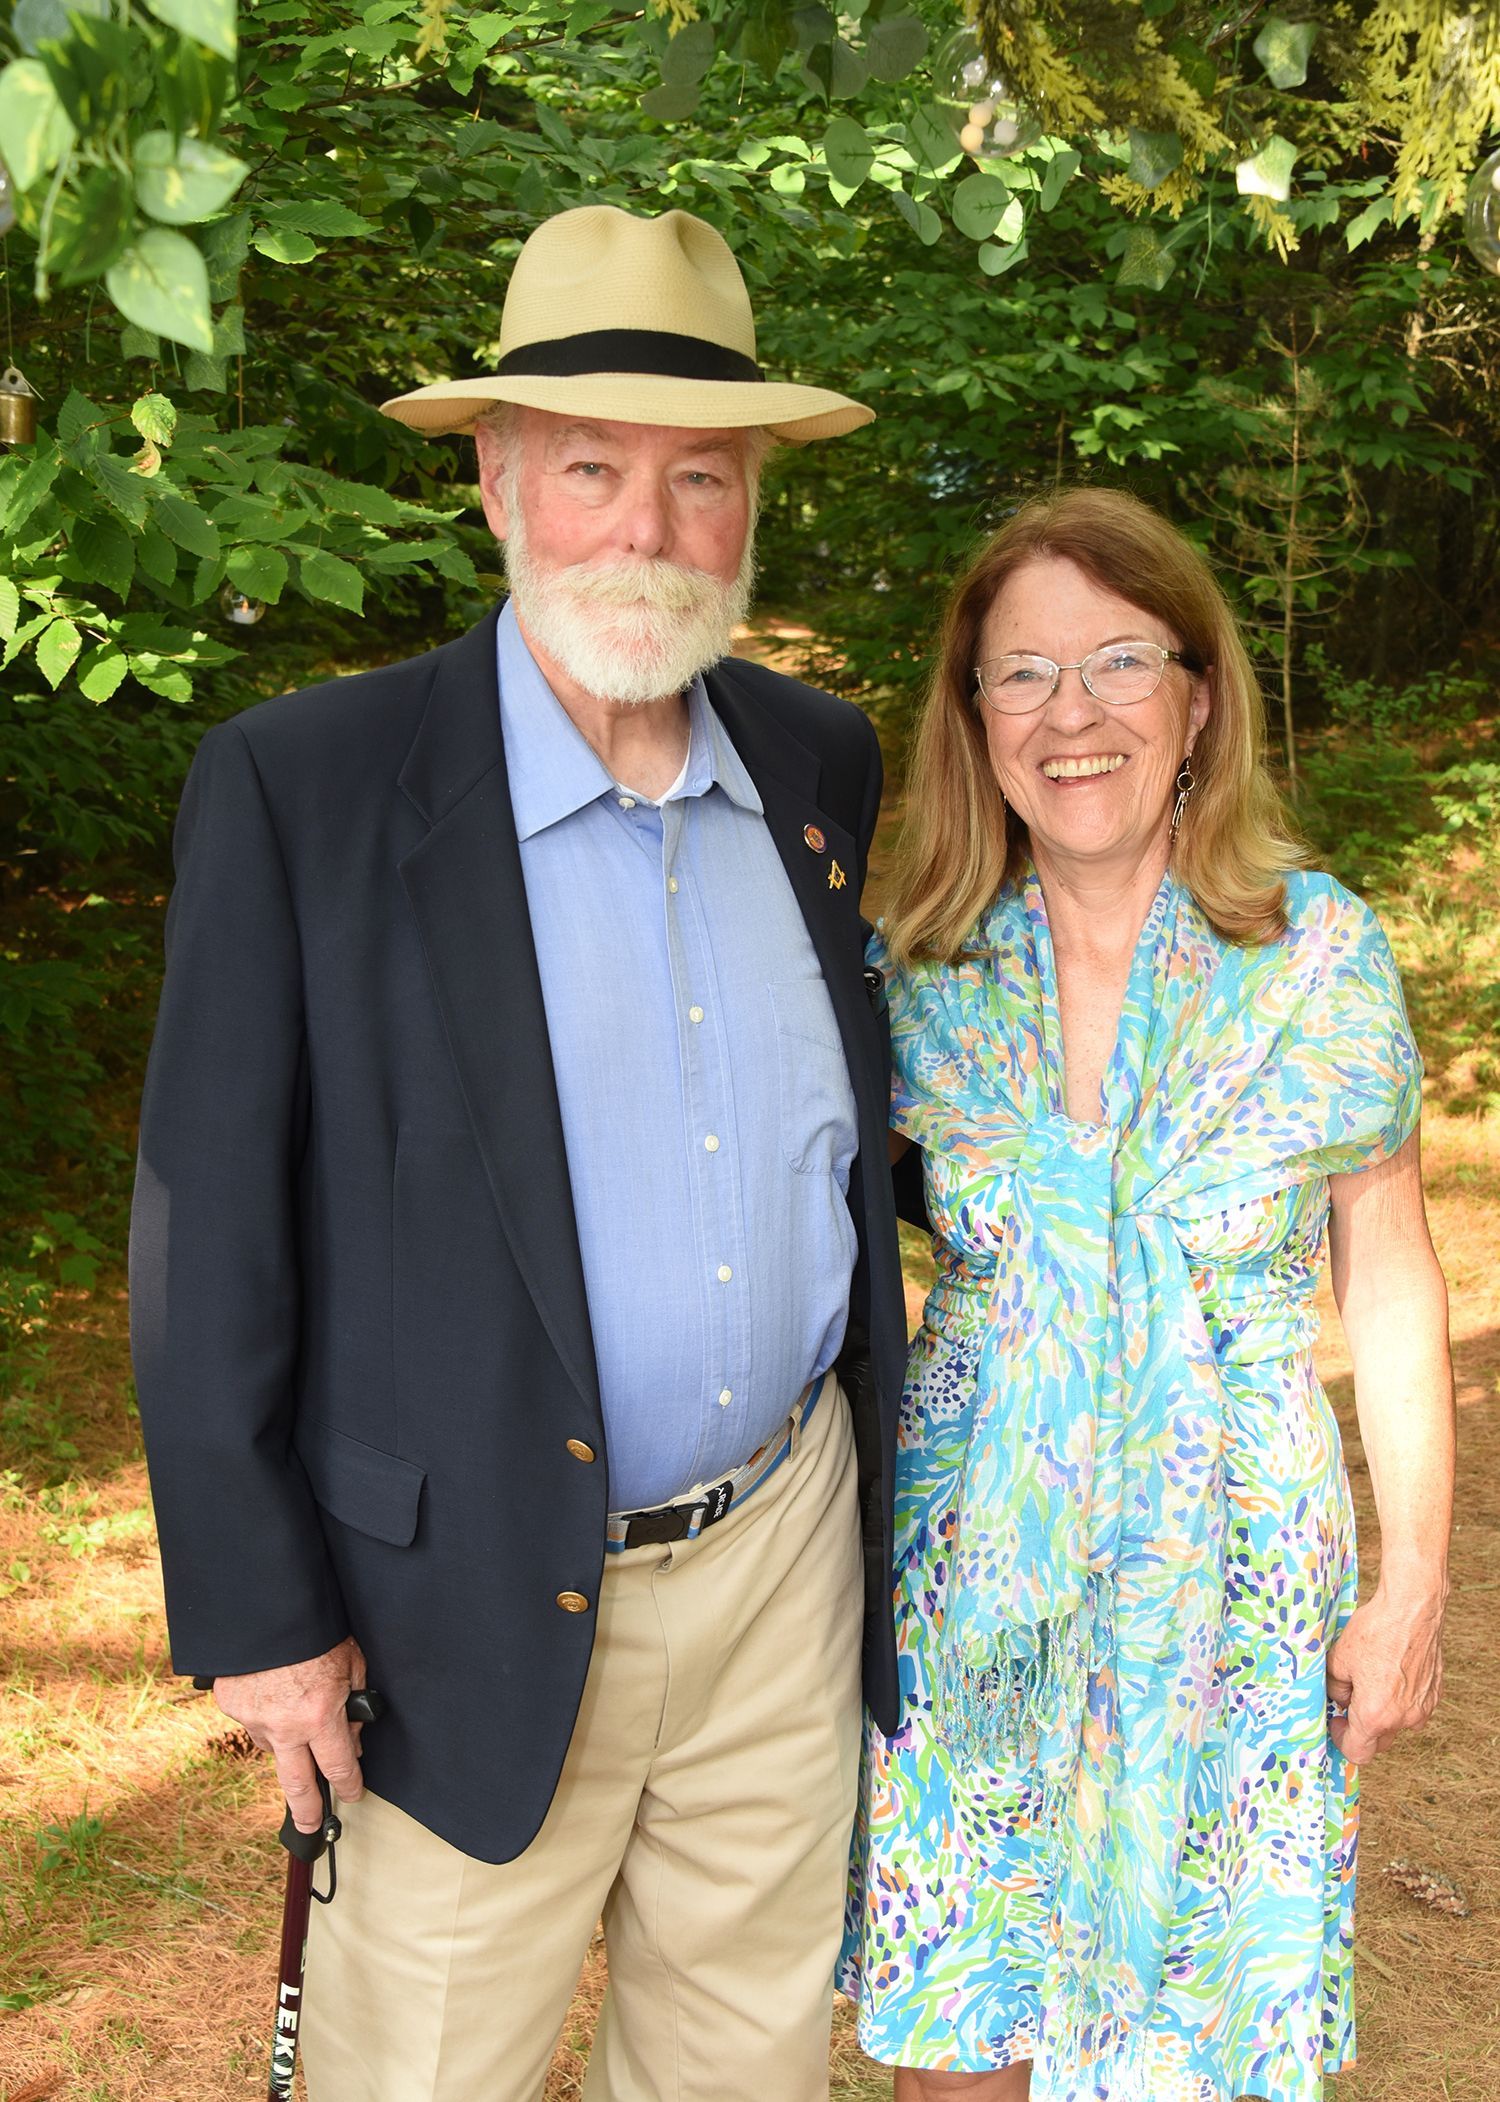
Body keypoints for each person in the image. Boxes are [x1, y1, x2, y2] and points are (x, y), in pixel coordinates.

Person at [129, 204, 909, 2102]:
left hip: (779, 1555)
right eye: (589, 469)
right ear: (494, 480)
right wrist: (263, 1619)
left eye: (701, 478)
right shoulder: (302, 789)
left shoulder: (821, 768)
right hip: (453, 1590)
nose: (645, 531)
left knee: (742, 2065)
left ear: (753, 505)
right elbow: (205, 1233)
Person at [839, 487, 1455, 2102]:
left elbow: (1387, 1274)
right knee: (970, 2019)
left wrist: (1412, 1590)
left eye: (1119, 660)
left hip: (1237, 1592)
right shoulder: (914, 969)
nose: (1074, 713)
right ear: (973, 724)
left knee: (1213, 2040)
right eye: (1022, 675)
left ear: (1198, 696)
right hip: (976, 1588)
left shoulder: (1317, 955)